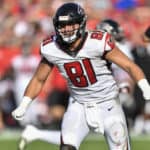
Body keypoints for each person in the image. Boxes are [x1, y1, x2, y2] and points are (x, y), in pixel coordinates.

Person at [12, 2, 150, 150]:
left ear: (81, 23)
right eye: (63, 25)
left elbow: (129, 65)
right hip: (78, 105)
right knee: (67, 147)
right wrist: (24, 104)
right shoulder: (51, 48)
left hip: (108, 104)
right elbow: (39, 79)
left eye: (71, 24)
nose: (66, 29)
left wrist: (145, 87)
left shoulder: (97, 42)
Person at [96, 19, 136, 129]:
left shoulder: (121, 48)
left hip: (114, 86)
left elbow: (127, 75)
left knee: (123, 97)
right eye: (116, 32)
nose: (119, 35)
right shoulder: (93, 48)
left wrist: (125, 91)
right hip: (98, 87)